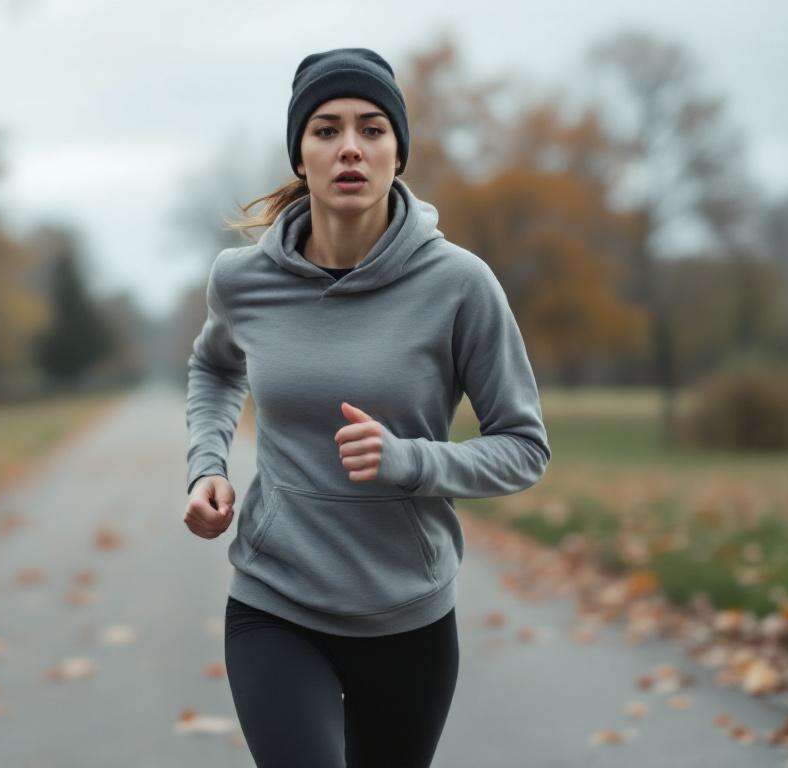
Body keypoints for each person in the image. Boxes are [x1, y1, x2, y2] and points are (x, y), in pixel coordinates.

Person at [183, 47, 552, 767]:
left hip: (407, 616)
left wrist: (410, 461)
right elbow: (214, 366)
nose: (350, 146)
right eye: (326, 129)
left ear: (397, 153)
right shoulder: (243, 280)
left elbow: (524, 446)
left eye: (373, 128)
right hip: (275, 603)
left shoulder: (459, 284)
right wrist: (206, 466)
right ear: (300, 155)